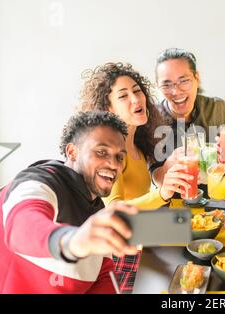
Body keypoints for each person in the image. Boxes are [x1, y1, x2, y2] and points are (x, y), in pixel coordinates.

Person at [0, 111, 140, 293]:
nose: (114, 164)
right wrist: (73, 241)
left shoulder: (95, 208)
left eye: (120, 157)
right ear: (72, 152)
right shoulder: (39, 181)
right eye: (101, 152)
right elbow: (21, 226)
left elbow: (103, 275)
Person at [80, 62, 192, 293]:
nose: (136, 98)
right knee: (191, 234)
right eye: (123, 96)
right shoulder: (110, 151)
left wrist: (166, 170)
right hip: (117, 250)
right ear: (108, 109)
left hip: (139, 233)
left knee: (200, 230)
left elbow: (146, 188)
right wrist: (161, 194)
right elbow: (116, 209)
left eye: (137, 90)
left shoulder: (138, 144)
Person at [151, 48, 225, 186]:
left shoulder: (218, 108)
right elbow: (156, 179)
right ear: (158, 86)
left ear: (196, 78)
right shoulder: (150, 120)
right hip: (176, 201)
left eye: (184, 81)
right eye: (166, 84)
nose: (176, 91)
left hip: (218, 196)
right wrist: (167, 167)